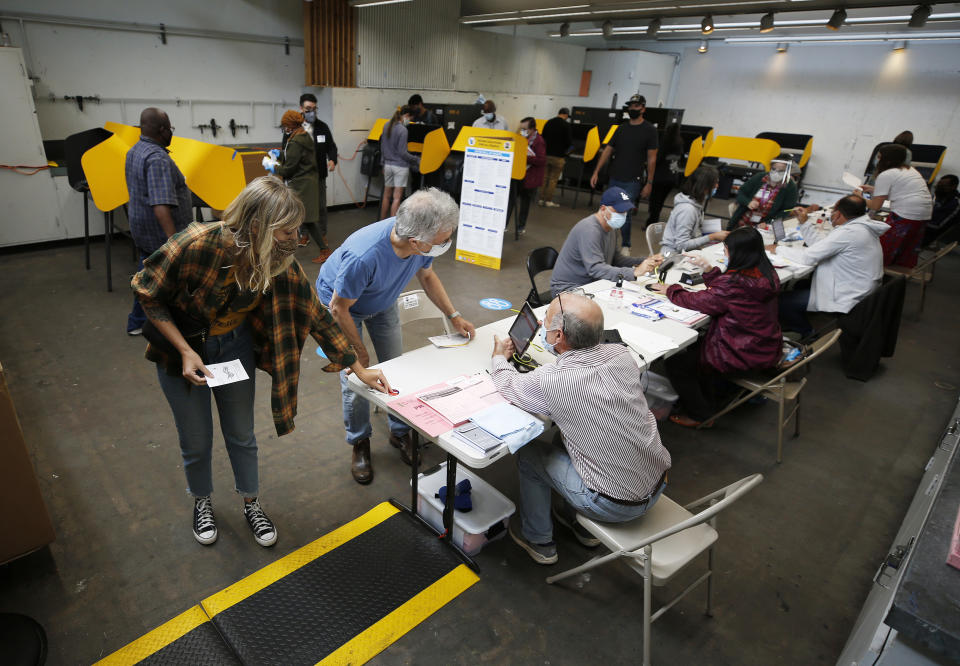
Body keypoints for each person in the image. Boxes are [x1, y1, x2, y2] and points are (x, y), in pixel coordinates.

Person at [131, 176, 391, 547]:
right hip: (181, 351)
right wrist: (185, 351)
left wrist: (358, 367)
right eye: (287, 230)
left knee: (241, 433)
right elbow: (146, 291)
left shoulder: (278, 260)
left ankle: (251, 502)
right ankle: (202, 500)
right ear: (257, 226)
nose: (295, 238)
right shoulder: (195, 243)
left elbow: (315, 313)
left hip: (233, 347)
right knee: (196, 437)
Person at [489, 292, 671, 565]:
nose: (542, 326)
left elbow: (508, 386)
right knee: (572, 434)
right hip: (658, 482)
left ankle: (539, 540)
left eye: (546, 321)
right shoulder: (621, 355)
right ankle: (579, 526)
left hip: (614, 505)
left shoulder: (553, 381)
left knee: (529, 454)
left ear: (558, 336)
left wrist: (498, 358)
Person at [316, 188, 476, 484]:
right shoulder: (364, 256)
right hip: (341, 306)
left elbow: (427, 276)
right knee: (355, 378)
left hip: (381, 299)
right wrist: (358, 353)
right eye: (443, 241)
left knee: (396, 366)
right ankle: (359, 441)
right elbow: (339, 309)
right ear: (416, 241)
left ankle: (399, 432)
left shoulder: (418, 245)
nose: (447, 245)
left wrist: (453, 315)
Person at [650, 227, 781, 427]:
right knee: (695, 347)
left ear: (738, 253)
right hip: (763, 346)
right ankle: (712, 396)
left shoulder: (734, 284)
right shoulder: (766, 272)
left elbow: (699, 300)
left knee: (676, 361)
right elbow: (726, 293)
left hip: (740, 352)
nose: (725, 254)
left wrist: (672, 289)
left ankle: (700, 415)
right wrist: (710, 271)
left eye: (726, 250)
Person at [770, 195, 889, 337]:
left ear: (838, 214)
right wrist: (805, 222)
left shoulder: (849, 233)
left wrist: (776, 249)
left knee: (780, 301)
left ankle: (807, 333)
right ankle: (795, 320)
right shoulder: (860, 226)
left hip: (849, 294)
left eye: (833, 211)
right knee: (800, 285)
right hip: (859, 287)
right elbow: (822, 246)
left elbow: (808, 257)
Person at [125, 108, 193, 336]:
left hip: (141, 228)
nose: (171, 133)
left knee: (147, 273)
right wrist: (174, 243)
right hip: (158, 234)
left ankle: (136, 321)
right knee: (167, 278)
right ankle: (168, 327)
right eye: (171, 129)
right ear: (163, 130)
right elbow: (161, 205)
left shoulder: (135, 150)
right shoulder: (157, 159)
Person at [550, 186, 663, 296]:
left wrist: (645, 261)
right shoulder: (589, 230)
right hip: (567, 288)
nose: (623, 215)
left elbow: (616, 259)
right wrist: (634, 272)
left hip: (590, 284)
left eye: (625, 211)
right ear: (603, 209)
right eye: (619, 211)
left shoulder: (610, 228)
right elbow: (596, 269)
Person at [589, 94, 659, 255]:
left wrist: (649, 182)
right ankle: (604, 242)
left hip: (632, 180)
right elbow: (607, 150)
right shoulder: (621, 128)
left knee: (624, 213)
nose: (633, 109)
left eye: (636, 106)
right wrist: (596, 171)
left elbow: (652, 158)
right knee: (606, 211)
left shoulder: (650, 130)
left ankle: (626, 245)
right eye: (631, 106)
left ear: (643, 108)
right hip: (615, 177)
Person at [859, 144, 932, 268]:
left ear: (887, 159)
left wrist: (860, 198)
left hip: (907, 214)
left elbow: (876, 206)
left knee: (886, 246)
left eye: (879, 157)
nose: (877, 159)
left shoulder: (886, 174)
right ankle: (897, 272)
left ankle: (879, 269)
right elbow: (901, 191)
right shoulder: (910, 169)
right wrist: (874, 189)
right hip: (923, 213)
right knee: (906, 247)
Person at [272, 110, 326, 264]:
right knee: (304, 218)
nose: (284, 128)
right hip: (306, 183)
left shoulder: (296, 141)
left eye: (285, 125)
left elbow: (289, 169)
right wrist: (280, 154)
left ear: (290, 125)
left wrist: (272, 167)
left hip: (302, 185)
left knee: (306, 219)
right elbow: (294, 157)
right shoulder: (302, 136)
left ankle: (324, 250)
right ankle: (304, 244)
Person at [289, 94, 338, 260]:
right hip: (300, 179)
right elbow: (286, 147)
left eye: (314, 109)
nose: (311, 112)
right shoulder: (294, 128)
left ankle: (322, 235)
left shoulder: (322, 127)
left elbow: (331, 146)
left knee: (320, 207)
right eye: (308, 109)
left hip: (318, 177)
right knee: (301, 209)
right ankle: (304, 235)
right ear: (301, 109)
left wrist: (332, 159)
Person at [660, 165, 728, 255]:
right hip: (673, 256)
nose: (717, 186)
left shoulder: (695, 204)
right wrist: (712, 237)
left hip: (684, 253)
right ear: (704, 186)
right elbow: (681, 245)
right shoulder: (688, 210)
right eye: (715, 183)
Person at [729, 157, 798, 230]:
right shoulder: (759, 177)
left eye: (781, 171)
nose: (776, 173)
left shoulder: (790, 187)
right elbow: (741, 193)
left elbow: (786, 210)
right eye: (773, 169)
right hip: (743, 222)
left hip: (764, 227)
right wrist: (748, 202)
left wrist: (769, 222)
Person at [379, 105, 421, 220]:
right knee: (396, 198)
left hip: (387, 165)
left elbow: (382, 147)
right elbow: (403, 153)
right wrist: (416, 159)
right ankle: (391, 226)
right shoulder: (403, 130)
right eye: (410, 119)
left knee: (386, 196)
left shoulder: (386, 125)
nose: (410, 121)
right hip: (400, 167)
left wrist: (382, 163)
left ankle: (381, 222)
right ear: (407, 116)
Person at [646, 122, 685, 227]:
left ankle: (651, 222)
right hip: (672, 177)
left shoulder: (665, 142)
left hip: (660, 176)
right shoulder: (680, 142)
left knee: (655, 200)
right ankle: (654, 220)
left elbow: (658, 159)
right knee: (661, 200)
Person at [516, 116, 546, 235]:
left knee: (525, 202)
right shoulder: (521, 138)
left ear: (533, 129)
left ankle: (521, 226)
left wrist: (525, 157)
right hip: (519, 175)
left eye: (525, 129)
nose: (522, 131)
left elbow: (541, 160)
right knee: (511, 200)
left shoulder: (539, 141)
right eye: (521, 128)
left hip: (531, 177)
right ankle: (506, 224)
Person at [539, 107, 573, 207]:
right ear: (566, 115)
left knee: (544, 177)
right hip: (558, 157)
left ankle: (541, 199)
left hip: (546, 155)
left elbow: (542, 137)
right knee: (553, 179)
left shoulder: (548, 122)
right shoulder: (566, 125)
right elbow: (569, 142)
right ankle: (548, 201)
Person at [924, 174, 960, 246]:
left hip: (932, 234)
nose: (938, 187)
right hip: (924, 227)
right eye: (938, 184)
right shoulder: (940, 195)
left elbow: (938, 226)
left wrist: (919, 223)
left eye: (943, 185)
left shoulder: (954, 203)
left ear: (953, 187)